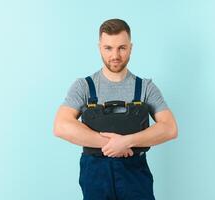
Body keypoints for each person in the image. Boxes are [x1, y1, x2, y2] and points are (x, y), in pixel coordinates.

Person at [53, 18, 178, 200]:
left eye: (122, 48)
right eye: (108, 48)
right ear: (99, 47)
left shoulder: (146, 88)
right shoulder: (84, 87)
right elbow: (61, 126)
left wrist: (127, 141)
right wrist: (111, 144)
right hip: (95, 176)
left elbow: (170, 128)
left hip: (135, 176)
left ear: (131, 47)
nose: (115, 55)